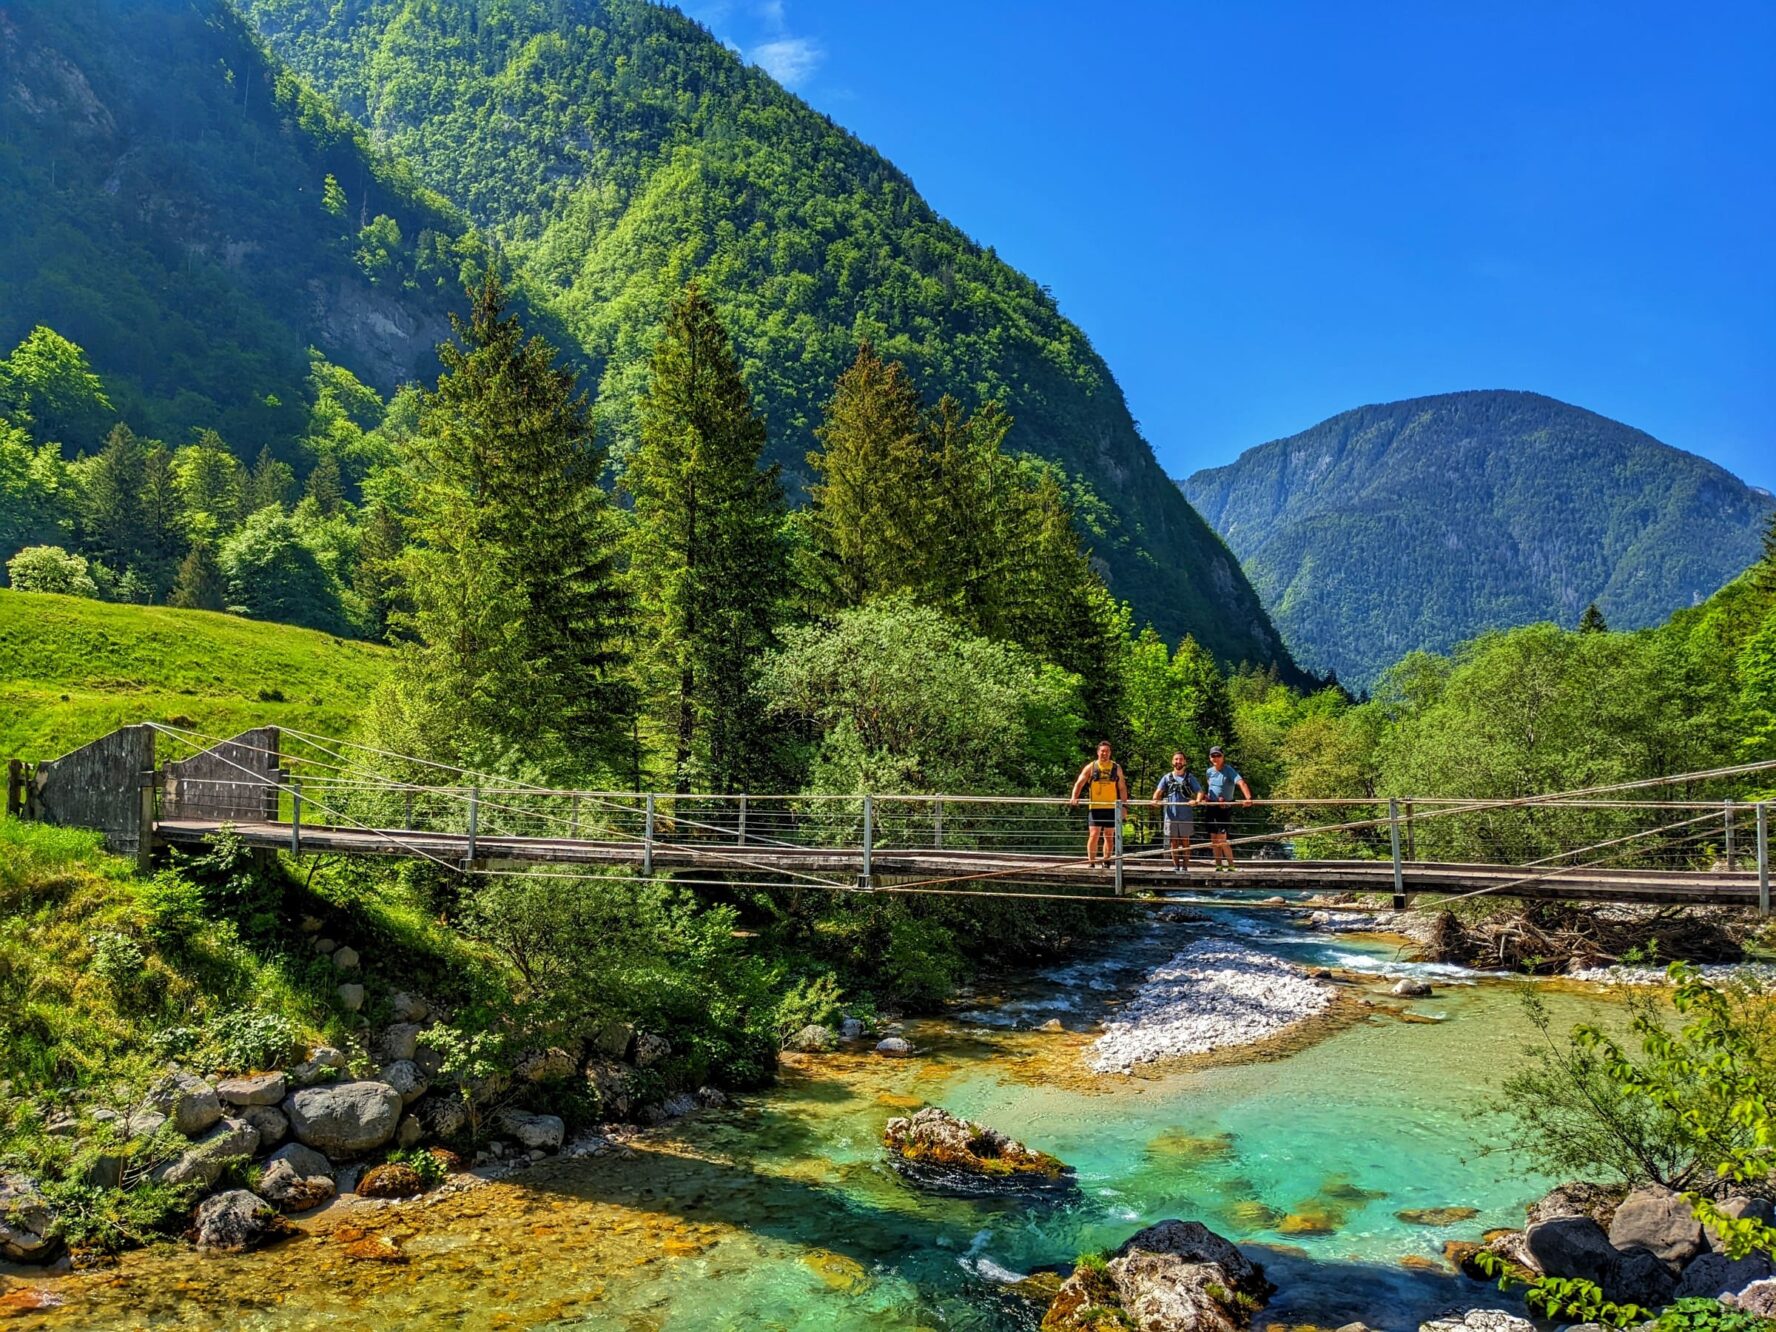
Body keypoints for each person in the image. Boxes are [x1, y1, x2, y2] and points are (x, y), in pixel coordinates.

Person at [1069, 740, 1128, 870]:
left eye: (1107, 751)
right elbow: (1080, 783)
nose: (1104, 754)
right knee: (1094, 834)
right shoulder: (1091, 766)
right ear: (1098, 752)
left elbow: (1122, 787)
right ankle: (1091, 862)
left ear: (1110, 753)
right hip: (1095, 807)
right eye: (1102, 751)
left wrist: (1124, 806)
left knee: (1109, 836)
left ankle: (1106, 861)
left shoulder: (1116, 767)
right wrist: (1074, 797)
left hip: (1111, 807)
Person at [1201, 745, 1252, 871]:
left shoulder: (1228, 770)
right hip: (1212, 807)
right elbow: (1210, 786)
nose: (1216, 758)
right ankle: (1218, 865)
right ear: (1210, 758)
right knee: (1213, 839)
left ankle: (1231, 866)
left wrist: (1248, 798)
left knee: (1222, 839)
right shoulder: (1209, 772)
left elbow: (1241, 783)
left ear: (1223, 757)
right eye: (1213, 756)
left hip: (1224, 808)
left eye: (1218, 755)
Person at [1150, 751, 1202, 872]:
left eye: (1181, 759)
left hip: (1185, 814)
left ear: (1185, 762)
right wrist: (1154, 800)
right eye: (1176, 759)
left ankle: (1185, 867)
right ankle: (1175, 867)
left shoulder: (1189, 777)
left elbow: (1199, 791)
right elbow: (1158, 791)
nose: (1178, 762)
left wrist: (1197, 801)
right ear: (1172, 762)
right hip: (1171, 814)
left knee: (1185, 841)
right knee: (1173, 842)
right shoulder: (1167, 777)